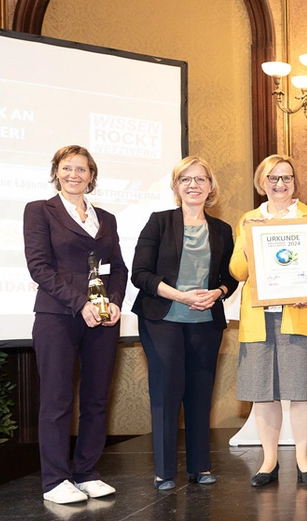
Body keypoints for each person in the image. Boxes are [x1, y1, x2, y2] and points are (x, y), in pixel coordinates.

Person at [23, 145, 127, 504]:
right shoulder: (39, 211)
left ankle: (86, 473)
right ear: (56, 172)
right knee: (57, 398)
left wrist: (113, 303)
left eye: (81, 169)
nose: (74, 175)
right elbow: (39, 267)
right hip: (58, 317)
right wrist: (80, 302)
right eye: (67, 168)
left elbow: (119, 268)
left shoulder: (107, 218)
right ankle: (54, 480)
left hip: (103, 321)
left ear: (92, 176)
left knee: (97, 399)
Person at [230, 154, 307, 487]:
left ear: (295, 182)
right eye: (273, 178)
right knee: (264, 392)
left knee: (303, 391)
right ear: (262, 182)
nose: (280, 184)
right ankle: (269, 460)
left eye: (286, 178)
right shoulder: (249, 219)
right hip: (260, 318)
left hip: (301, 314)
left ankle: (304, 458)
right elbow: (238, 271)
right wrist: (249, 242)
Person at [131, 156, 238, 490]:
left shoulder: (222, 230)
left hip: (205, 321)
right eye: (186, 179)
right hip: (162, 318)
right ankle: (164, 470)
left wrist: (218, 292)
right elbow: (140, 274)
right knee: (167, 391)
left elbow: (230, 278)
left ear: (211, 187)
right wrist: (180, 296)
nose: (194, 185)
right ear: (176, 187)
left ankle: (200, 467)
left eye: (201, 179)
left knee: (200, 392)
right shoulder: (159, 223)